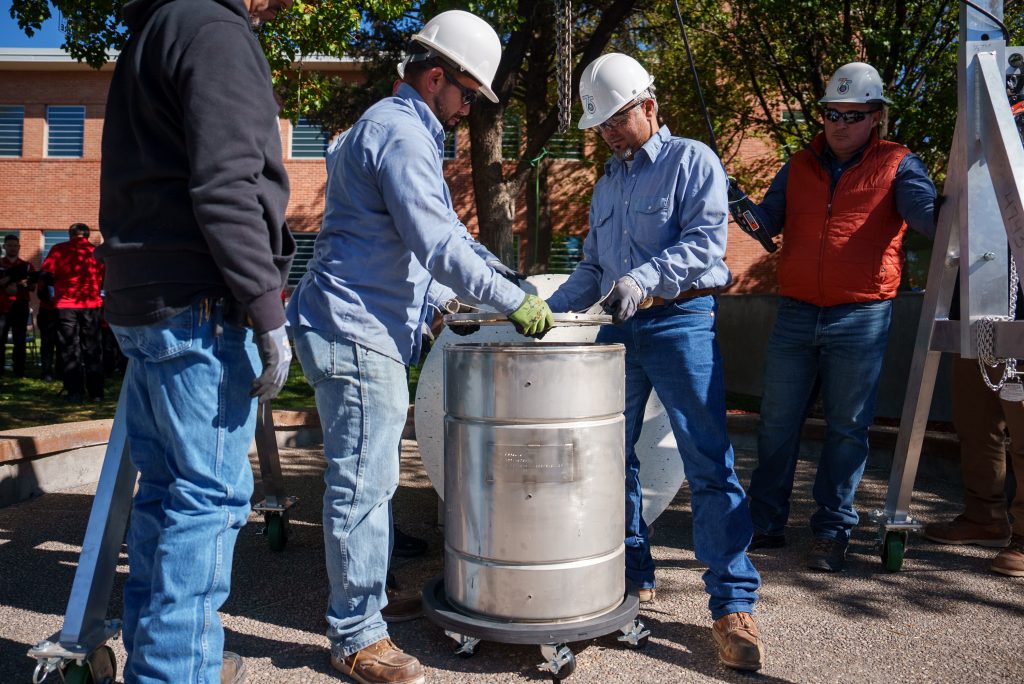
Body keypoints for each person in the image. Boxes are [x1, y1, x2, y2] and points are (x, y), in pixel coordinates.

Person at [286, 10, 552, 683]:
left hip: (351, 321)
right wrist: (510, 299)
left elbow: (396, 246)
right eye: (467, 95)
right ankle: (355, 634)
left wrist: (442, 305)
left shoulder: (382, 126)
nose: (467, 110)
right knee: (363, 485)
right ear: (436, 78)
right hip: (355, 330)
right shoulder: (402, 135)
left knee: (366, 479)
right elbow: (438, 246)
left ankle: (368, 596)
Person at [96, 0, 296, 681]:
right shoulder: (216, 30)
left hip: (146, 296)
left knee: (165, 494)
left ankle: (162, 661)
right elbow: (227, 186)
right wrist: (268, 311)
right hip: (197, 303)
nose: (281, 6)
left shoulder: (158, 25)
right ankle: (175, 671)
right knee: (206, 501)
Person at [546, 52, 765, 672]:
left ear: (648, 104)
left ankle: (732, 605)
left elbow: (704, 245)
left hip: (679, 322)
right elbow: (592, 268)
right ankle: (631, 576)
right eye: (602, 125)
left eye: (617, 118)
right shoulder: (608, 182)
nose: (610, 132)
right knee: (609, 458)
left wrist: (642, 280)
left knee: (707, 460)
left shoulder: (692, 160)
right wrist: (545, 313)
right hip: (619, 331)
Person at [743, 62, 936, 572]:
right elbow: (767, 222)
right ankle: (765, 523)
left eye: (853, 115)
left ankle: (831, 531)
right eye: (832, 113)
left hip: (862, 314)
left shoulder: (899, 163)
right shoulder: (798, 164)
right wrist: (736, 200)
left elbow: (927, 218)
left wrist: (963, 209)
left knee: (848, 428)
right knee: (776, 423)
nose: (840, 123)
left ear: (875, 117)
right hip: (796, 312)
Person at [39, 223, 105, 401]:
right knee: (92, 347)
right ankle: (96, 392)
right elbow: (106, 279)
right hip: (91, 305)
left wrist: (51, 297)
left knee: (70, 346)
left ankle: (75, 391)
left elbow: (45, 276)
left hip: (66, 304)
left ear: (70, 235)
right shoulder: (96, 252)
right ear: (87, 235)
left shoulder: (58, 249)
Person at [0, 234, 33, 377]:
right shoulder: (0, 263)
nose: (13, 248)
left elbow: (33, 287)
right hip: (1, 305)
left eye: (15, 246)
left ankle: (19, 370)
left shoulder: (26, 266)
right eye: (10, 245)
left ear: (19, 247)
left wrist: (25, 284)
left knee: (20, 338)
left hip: (20, 304)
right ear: (4, 246)